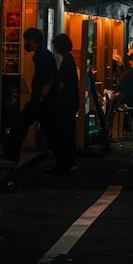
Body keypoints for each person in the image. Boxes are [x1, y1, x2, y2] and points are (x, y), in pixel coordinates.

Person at [3, 28, 59, 162]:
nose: (25, 43)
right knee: (48, 130)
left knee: (20, 122)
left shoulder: (42, 56)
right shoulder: (44, 55)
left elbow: (49, 80)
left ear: (32, 41)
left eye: (26, 40)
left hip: (42, 101)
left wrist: (40, 97)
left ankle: (12, 153)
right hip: (44, 101)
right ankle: (63, 160)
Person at [50, 34, 79, 172]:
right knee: (68, 132)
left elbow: (62, 84)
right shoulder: (69, 60)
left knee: (63, 132)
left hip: (66, 102)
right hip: (72, 100)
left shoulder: (66, 62)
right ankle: (70, 161)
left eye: (55, 45)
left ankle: (64, 162)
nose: (54, 47)